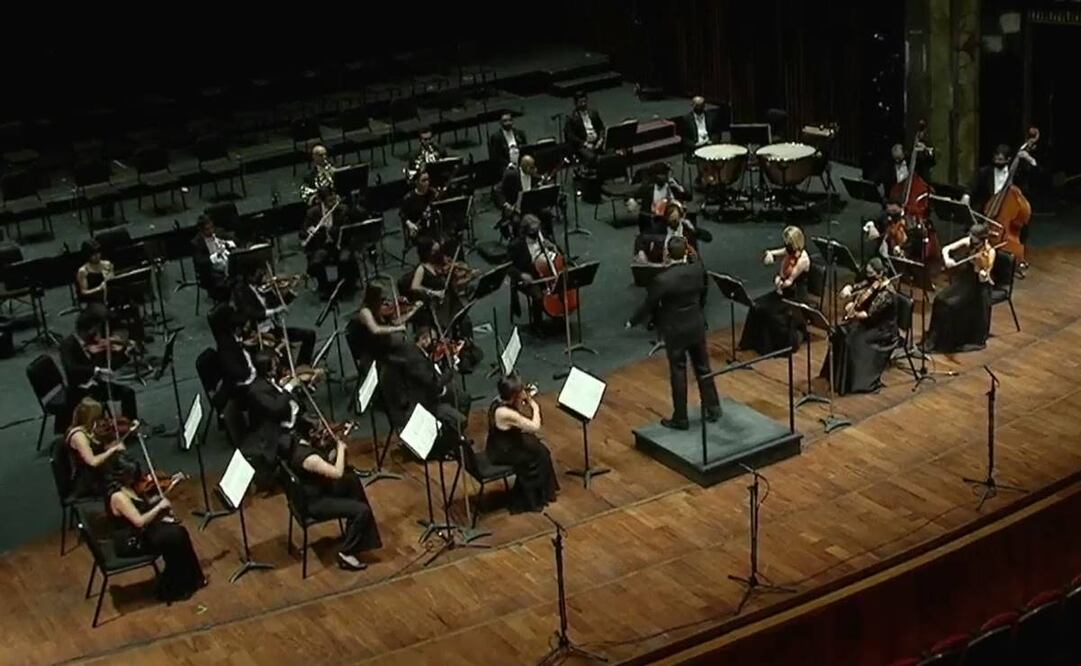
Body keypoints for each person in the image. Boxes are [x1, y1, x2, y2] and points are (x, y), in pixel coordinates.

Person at [627, 237, 720, 429]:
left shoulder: (663, 279)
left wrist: (632, 321)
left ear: (668, 255)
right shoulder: (697, 269)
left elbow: (649, 303)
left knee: (678, 371)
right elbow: (704, 292)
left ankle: (681, 417)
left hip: (675, 330)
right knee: (703, 367)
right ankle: (713, 407)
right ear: (686, 252)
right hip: (695, 324)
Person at [105, 455, 207, 602]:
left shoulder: (129, 487)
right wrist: (159, 507)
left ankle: (190, 579)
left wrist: (163, 498)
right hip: (131, 541)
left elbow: (143, 506)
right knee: (173, 537)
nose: (137, 478)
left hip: (141, 532)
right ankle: (173, 587)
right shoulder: (118, 497)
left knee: (178, 533)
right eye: (132, 475)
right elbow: (139, 521)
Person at [290, 426, 382, 571]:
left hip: (316, 491)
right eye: (315, 432)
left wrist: (338, 451)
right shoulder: (309, 458)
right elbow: (337, 473)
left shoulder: (299, 447)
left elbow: (329, 464)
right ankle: (346, 552)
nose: (320, 434)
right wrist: (340, 448)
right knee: (362, 510)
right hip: (315, 503)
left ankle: (360, 537)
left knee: (351, 480)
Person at [820, 258, 899, 395]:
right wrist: (849, 288)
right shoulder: (873, 282)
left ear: (880, 274)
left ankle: (851, 382)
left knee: (852, 342)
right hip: (869, 323)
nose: (868, 277)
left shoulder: (887, 294)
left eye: (871, 274)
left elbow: (868, 314)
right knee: (840, 332)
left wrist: (853, 312)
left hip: (882, 329)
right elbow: (860, 285)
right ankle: (834, 375)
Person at [485, 375, 559, 513]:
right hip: (503, 451)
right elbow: (534, 426)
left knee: (539, 447)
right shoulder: (505, 413)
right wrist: (535, 406)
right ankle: (533, 498)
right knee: (539, 455)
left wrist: (521, 400)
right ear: (514, 395)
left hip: (503, 442)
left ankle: (544, 492)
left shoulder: (498, 400)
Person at [923, 223, 996, 354]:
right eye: (971, 235)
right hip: (965, 280)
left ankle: (946, 342)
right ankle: (934, 337)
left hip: (978, 288)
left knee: (950, 304)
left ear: (982, 238)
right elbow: (946, 249)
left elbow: (985, 275)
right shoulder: (969, 241)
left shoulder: (990, 252)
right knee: (940, 299)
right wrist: (947, 259)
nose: (971, 238)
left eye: (974, 237)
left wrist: (982, 272)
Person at [739, 226, 811, 356]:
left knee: (770, 313)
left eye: (788, 243)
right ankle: (750, 343)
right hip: (783, 292)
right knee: (756, 305)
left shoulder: (803, 260)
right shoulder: (790, 251)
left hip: (794, 297)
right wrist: (770, 253)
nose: (786, 246)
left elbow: (789, 282)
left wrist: (778, 279)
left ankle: (771, 346)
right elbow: (779, 252)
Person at [965, 143, 1037, 273]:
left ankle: (1016, 260)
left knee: (1022, 227)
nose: (997, 162)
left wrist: (1029, 160)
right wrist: (966, 195)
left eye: (1001, 160)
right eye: (995, 160)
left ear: (1009, 160)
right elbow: (972, 185)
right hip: (990, 211)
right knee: (975, 228)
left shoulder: (1016, 174)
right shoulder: (985, 171)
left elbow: (1033, 176)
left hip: (1009, 215)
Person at [382, 326, 469, 433]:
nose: (435, 344)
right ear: (423, 339)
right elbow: (434, 385)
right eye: (433, 341)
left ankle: (453, 431)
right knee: (461, 420)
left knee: (464, 398)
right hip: (423, 404)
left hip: (427, 394)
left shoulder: (415, 350)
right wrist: (451, 368)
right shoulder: (415, 360)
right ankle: (448, 438)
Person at [60, 310, 138, 424]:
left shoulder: (88, 341)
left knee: (128, 393)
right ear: (88, 329)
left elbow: (107, 365)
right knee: (122, 394)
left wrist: (124, 354)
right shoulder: (68, 345)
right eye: (95, 329)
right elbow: (71, 368)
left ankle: (129, 425)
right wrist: (96, 370)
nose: (97, 334)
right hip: (80, 389)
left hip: (95, 383)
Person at [232, 266, 317, 366]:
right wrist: (275, 311)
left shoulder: (264, 289)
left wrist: (293, 290)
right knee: (283, 349)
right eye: (260, 274)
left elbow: (278, 303)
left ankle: (303, 366)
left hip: (273, 329)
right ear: (250, 276)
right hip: (258, 333)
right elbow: (253, 313)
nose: (265, 278)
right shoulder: (242, 291)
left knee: (309, 335)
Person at [243, 351, 302, 488]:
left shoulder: (265, 382)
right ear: (266, 368)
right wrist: (288, 388)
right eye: (273, 365)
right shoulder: (256, 391)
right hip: (272, 432)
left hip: (279, 422)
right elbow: (276, 408)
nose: (276, 367)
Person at [346, 282, 419, 371]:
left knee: (412, 351)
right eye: (382, 299)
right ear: (374, 298)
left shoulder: (379, 309)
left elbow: (396, 322)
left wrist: (413, 311)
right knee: (406, 360)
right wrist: (397, 329)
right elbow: (375, 329)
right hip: (371, 352)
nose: (386, 302)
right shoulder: (365, 312)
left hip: (382, 345)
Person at [302, 188, 359, 299]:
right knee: (317, 261)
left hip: (340, 244)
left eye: (334, 200)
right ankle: (325, 288)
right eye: (329, 201)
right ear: (322, 202)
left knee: (346, 259)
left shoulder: (342, 209)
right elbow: (302, 232)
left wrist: (334, 229)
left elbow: (350, 226)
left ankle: (345, 286)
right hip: (322, 246)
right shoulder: (313, 213)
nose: (333, 204)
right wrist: (310, 230)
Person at [66, 397, 127, 499]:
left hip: (98, 471)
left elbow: (95, 449)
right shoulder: (78, 436)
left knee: (130, 467)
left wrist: (110, 445)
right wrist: (113, 450)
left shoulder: (86, 428)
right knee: (127, 473)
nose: (98, 421)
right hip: (89, 480)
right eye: (96, 418)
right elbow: (93, 462)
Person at [507, 215, 562, 327]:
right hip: (528, 276)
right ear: (525, 230)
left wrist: (554, 247)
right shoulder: (516, 245)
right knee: (538, 296)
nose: (536, 233)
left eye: (538, 230)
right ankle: (538, 324)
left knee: (561, 286)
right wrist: (522, 275)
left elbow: (558, 254)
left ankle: (558, 313)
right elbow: (508, 267)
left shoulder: (542, 237)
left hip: (545, 272)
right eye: (533, 231)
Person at [634, 200, 710, 264]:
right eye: (671, 220)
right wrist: (641, 252)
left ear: (680, 217)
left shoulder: (687, 229)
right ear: (666, 218)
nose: (674, 223)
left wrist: (694, 230)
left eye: (676, 220)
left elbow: (708, 237)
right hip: (663, 265)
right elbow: (640, 239)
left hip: (685, 265)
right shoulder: (659, 229)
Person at [190, 215, 235, 299]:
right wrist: (214, 257)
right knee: (229, 282)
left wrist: (228, 243)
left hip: (226, 264)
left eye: (212, 227)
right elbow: (200, 261)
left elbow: (234, 239)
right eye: (207, 229)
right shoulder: (196, 242)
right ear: (201, 230)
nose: (211, 231)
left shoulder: (219, 232)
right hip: (211, 271)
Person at [564, 92, 605, 166]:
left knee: (612, 153)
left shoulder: (593, 113)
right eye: (581, 102)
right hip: (583, 146)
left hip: (597, 142)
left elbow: (601, 128)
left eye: (584, 101)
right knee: (593, 158)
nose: (583, 104)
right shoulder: (571, 118)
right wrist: (585, 144)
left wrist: (601, 139)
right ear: (576, 104)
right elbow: (570, 136)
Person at [400, 169, 439, 244]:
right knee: (431, 244)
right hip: (419, 231)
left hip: (433, 228)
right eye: (423, 180)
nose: (427, 183)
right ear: (417, 182)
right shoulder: (409, 198)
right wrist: (410, 224)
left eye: (428, 180)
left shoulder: (432, 193)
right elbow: (402, 214)